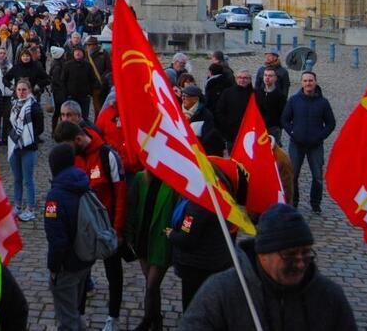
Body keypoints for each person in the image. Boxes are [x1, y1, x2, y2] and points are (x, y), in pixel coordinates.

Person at [180, 203, 356, 330]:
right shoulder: (220, 293)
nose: (301, 263)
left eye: (306, 253)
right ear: (263, 254)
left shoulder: (329, 297)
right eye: (290, 255)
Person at [53, 121, 126, 331]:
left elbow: (120, 193)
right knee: (81, 274)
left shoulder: (107, 155)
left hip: (107, 227)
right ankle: (79, 315)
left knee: (114, 273)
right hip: (82, 229)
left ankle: (113, 317)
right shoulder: (72, 157)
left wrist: (118, 229)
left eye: (68, 146)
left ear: (77, 139)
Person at [167, 158, 246, 310]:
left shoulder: (198, 205)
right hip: (218, 262)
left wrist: (171, 234)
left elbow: (186, 237)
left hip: (197, 267)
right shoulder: (222, 196)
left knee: (192, 307)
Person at [44, 143, 94, 331]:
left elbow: (57, 239)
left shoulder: (55, 197)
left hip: (67, 265)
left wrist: (54, 268)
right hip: (84, 259)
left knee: (67, 319)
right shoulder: (84, 183)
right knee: (74, 312)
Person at [127, 170, 177, 331]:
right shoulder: (141, 178)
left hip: (161, 241)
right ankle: (156, 319)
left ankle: (149, 319)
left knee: (152, 284)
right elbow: (132, 207)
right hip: (142, 239)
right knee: (151, 283)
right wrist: (129, 234)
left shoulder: (174, 182)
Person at [281, 71, 336, 214]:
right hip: (296, 144)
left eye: (310, 80)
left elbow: (331, 123)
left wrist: (320, 136)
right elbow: (285, 119)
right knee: (293, 175)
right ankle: (294, 202)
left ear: (315, 82)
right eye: (305, 81)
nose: (308, 83)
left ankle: (315, 203)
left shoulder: (323, 102)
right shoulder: (294, 100)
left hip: (315, 145)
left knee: (317, 176)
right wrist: (292, 132)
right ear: (301, 83)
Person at [8, 78, 44, 221]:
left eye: (24, 89)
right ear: (15, 91)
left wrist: (27, 137)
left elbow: (40, 128)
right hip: (15, 145)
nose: (21, 92)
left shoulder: (34, 107)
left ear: (29, 90)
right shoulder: (14, 105)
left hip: (29, 147)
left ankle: (30, 208)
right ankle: (17, 205)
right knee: (17, 178)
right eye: (19, 90)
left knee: (28, 180)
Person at [214, 69, 254, 149]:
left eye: (245, 78)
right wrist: (226, 125)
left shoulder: (255, 94)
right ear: (236, 79)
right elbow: (219, 111)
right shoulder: (227, 92)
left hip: (250, 133)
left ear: (250, 80)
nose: (242, 80)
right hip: (231, 133)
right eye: (239, 77)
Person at [256, 67, 288, 145]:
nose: (267, 77)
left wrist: (279, 126)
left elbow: (284, 113)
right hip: (258, 127)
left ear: (275, 78)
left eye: (270, 76)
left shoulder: (280, 95)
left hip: (273, 128)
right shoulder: (257, 93)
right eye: (265, 75)